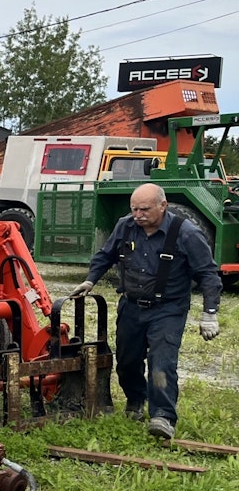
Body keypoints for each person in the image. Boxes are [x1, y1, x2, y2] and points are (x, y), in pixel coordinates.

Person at [72, 183, 222, 439]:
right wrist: (90, 279)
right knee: (127, 361)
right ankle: (135, 401)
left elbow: (208, 273)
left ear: (162, 206)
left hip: (168, 309)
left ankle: (163, 416)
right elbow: (105, 255)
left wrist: (210, 313)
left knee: (161, 364)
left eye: (144, 209)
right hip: (131, 306)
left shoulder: (185, 233)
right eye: (134, 209)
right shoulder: (126, 225)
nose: (138, 215)